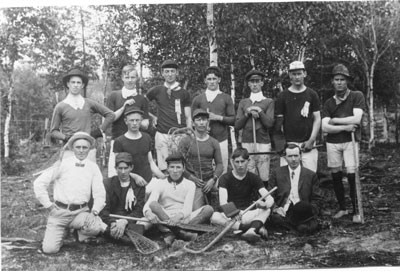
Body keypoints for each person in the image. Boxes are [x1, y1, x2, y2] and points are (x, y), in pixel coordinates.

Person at [33, 132, 107, 254]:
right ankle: (63, 231)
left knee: (96, 227)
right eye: (78, 147)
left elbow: (100, 193)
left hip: (80, 212)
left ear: (89, 149)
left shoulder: (93, 167)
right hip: (59, 213)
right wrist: (49, 205)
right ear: (72, 148)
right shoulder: (62, 164)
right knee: (50, 250)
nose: (81, 150)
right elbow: (39, 183)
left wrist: (94, 212)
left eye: (85, 147)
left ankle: (79, 233)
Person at [321, 64, 366, 219]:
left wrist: (335, 120)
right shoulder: (328, 103)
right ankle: (342, 208)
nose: (339, 82)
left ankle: (356, 209)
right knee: (335, 174)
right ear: (332, 82)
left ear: (347, 81)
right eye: (336, 79)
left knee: (352, 173)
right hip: (333, 142)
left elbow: (357, 118)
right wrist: (345, 127)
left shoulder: (357, 96)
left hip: (351, 142)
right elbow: (325, 127)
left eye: (342, 79)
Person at [143, 153, 214, 246]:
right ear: (167, 169)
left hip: (183, 219)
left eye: (178, 167)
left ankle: (173, 233)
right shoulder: (160, 183)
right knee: (153, 205)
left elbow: (187, 208)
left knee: (208, 209)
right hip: (165, 218)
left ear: (183, 169)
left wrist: (178, 216)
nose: (175, 170)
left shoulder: (190, 184)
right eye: (172, 167)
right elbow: (149, 204)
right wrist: (148, 213)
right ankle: (182, 234)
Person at [211, 148, 274, 242]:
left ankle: (251, 231)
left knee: (267, 210)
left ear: (248, 161)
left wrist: (264, 204)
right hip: (232, 216)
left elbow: (270, 199)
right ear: (232, 162)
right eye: (237, 162)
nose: (240, 165)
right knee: (215, 216)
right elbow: (223, 202)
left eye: (242, 161)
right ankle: (251, 228)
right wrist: (234, 214)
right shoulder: (225, 178)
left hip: (248, 213)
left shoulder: (254, 178)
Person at [50, 68, 115, 161]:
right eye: (73, 82)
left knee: (88, 174)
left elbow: (110, 114)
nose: (75, 85)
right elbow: (53, 132)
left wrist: (99, 131)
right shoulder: (60, 106)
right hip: (69, 151)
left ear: (83, 85)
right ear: (68, 84)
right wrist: (66, 138)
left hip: (88, 150)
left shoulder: (88, 103)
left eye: (78, 82)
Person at [146, 59, 192, 172]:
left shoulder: (184, 93)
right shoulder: (156, 90)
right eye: (167, 71)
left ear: (177, 72)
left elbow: (188, 116)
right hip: (162, 134)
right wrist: (152, 117)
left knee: (179, 167)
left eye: (172, 71)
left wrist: (189, 132)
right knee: (163, 168)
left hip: (179, 135)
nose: (170, 74)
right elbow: (141, 105)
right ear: (162, 73)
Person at [274, 61, 321, 172]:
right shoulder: (282, 96)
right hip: (289, 145)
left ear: (304, 73)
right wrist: (281, 144)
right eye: (294, 74)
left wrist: (311, 140)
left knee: (309, 177)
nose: (297, 77)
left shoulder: (312, 94)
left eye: (299, 73)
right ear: (290, 75)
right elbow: (278, 123)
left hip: (308, 144)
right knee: (287, 179)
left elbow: (317, 118)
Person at [268, 144, 323, 234]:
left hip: (302, 211)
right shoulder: (277, 173)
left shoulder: (311, 175)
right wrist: (275, 208)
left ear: (300, 156)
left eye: (296, 156)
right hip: (284, 211)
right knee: (276, 218)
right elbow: (270, 195)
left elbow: (317, 198)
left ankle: (291, 227)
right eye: (290, 156)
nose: (293, 159)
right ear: (285, 157)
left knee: (305, 223)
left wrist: (311, 211)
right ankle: (295, 227)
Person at [106, 65, 150, 178]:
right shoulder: (114, 96)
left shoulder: (142, 99)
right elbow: (110, 119)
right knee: (115, 174)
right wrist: (123, 107)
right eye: (127, 77)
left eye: (133, 77)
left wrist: (135, 120)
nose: (130, 80)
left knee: (136, 175)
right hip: (117, 141)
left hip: (136, 143)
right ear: (122, 78)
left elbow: (145, 124)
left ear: (137, 78)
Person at [191, 66, 235, 173]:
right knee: (203, 169)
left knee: (221, 170)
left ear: (219, 80)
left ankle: (221, 190)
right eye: (209, 79)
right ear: (205, 80)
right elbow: (192, 121)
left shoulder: (226, 98)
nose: (211, 82)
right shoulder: (198, 99)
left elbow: (233, 120)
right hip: (202, 140)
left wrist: (218, 117)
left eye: (214, 79)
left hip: (221, 140)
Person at [235, 70, 274, 186]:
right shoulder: (243, 102)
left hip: (263, 142)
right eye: (252, 82)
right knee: (249, 172)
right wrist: (247, 113)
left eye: (257, 81)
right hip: (247, 141)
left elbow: (269, 123)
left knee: (263, 174)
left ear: (262, 83)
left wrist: (259, 111)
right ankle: (250, 199)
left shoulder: (268, 101)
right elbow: (237, 125)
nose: (255, 84)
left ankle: (263, 200)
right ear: (248, 84)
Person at [179, 108, 223, 210]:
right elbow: (178, 164)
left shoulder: (214, 142)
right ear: (193, 123)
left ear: (208, 122)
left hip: (209, 183)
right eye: (198, 120)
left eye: (204, 119)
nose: (202, 122)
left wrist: (213, 179)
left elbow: (220, 164)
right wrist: (191, 178)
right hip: (192, 183)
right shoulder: (186, 141)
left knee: (219, 210)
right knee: (197, 210)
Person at [100, 152, 146, 243]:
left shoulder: (138, 185)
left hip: (130, 220)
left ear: (131, 168)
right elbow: (104, 208)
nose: (123, 172)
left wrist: (124, 221)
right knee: (97, 223)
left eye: (126, 168)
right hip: (111, 219)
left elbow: (138, 210)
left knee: (145, 222)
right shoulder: (108, 183)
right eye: (120, 168)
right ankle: (119, 234)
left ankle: (114, 235)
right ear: (115, 168)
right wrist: (113, 222)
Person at [113, 107, 165, 185]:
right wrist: (135, 177)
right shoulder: (119, 141)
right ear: (126, 121)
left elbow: (150, 162)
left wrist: (163, 177)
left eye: (137, 120)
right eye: (131, 120)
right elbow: (119, 168)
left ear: (141, 121)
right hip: (129, 183)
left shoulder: (147, 137)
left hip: (148, 181)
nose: (134, 123)